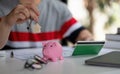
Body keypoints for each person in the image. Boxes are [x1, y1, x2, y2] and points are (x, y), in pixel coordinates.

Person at [0, 0, 93, 49]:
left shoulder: (59, 9)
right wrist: (6, 23)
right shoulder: (2, 8)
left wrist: (88, 40)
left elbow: (82, 34)